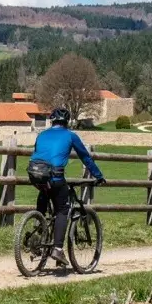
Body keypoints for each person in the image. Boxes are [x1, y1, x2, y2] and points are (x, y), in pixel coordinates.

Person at [28, 106, 105, 248]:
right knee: (62, 210)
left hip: (35, 174)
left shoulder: (41, 135)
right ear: (67, 122)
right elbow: (85, 157)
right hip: (55, 176)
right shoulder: (70, 135)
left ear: (52, 121)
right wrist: (98, 175)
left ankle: (38, 230)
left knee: (45, 194)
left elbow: (39, 153)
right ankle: (57, 248)